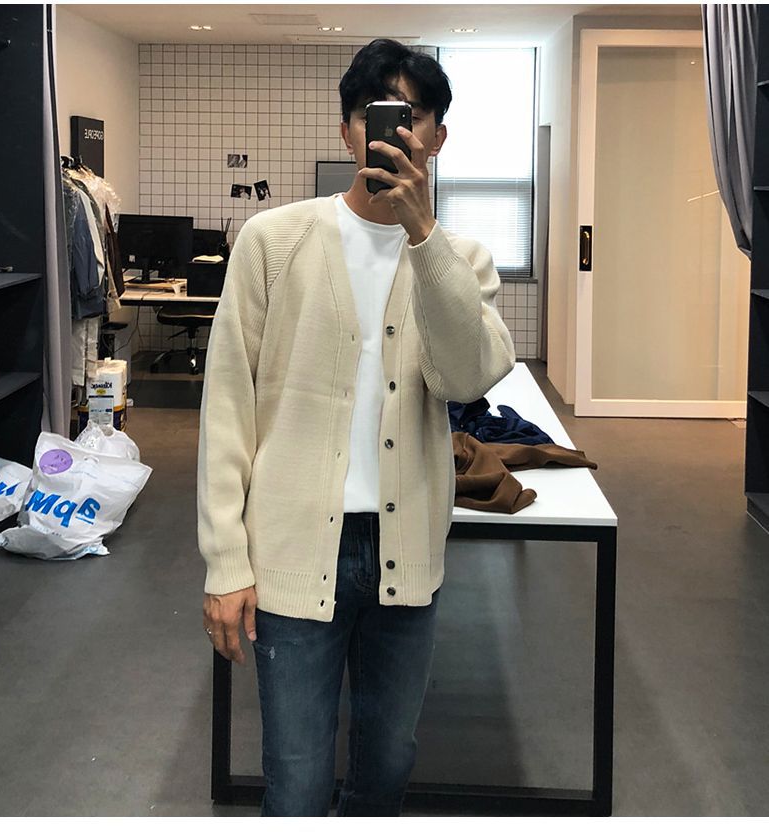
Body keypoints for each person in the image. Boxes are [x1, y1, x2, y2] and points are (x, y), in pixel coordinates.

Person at [197, 38, 515, 817]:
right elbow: (228, 404)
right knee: (297, 778)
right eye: (382, 116)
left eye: (416, 117)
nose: (400, 133)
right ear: (348, 131)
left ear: (438, 137)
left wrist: (423, 237)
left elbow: (468, 375)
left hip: (408, 551)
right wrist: (225, 559)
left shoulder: (463, 258)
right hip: (292, 545)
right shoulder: (273, 241)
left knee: (388, 765)